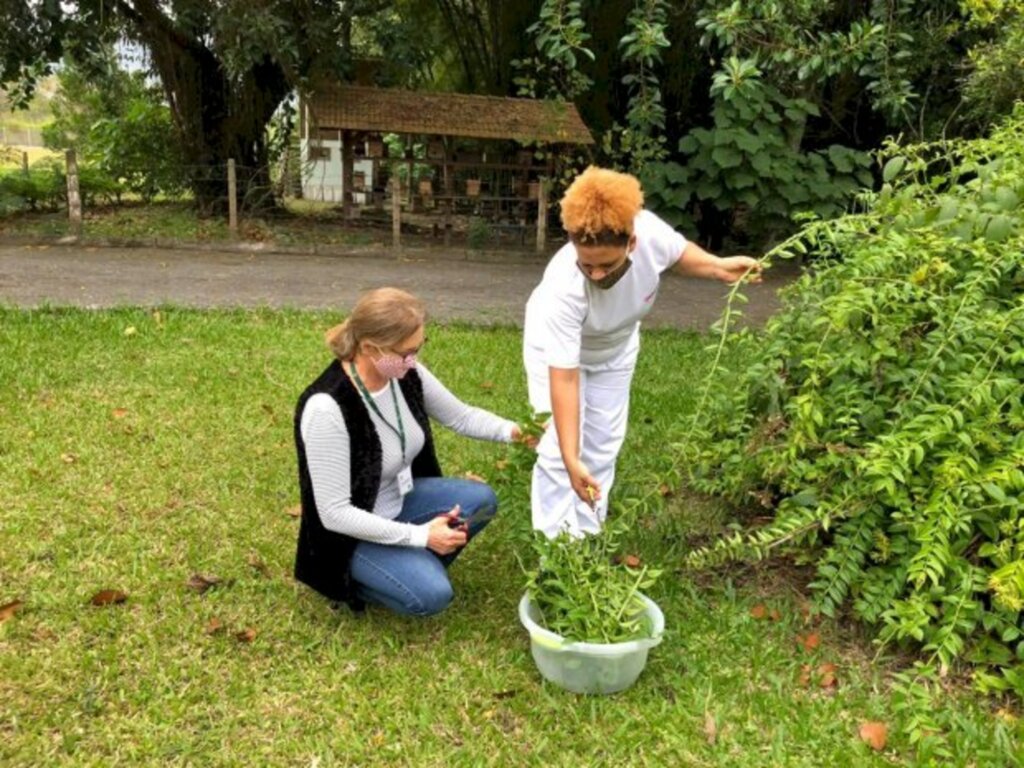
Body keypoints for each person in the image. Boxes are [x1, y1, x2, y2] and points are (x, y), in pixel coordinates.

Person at [523, 166, 762, 538]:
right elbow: (565, 379)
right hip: (555, 352)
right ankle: (553, 548)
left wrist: (718, 268)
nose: (597, 275)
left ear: (631, 243)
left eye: (607, 264)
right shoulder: (562, 289)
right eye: (587, 264)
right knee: (558, 449)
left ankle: (586, 537)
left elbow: (678, 252)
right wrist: (571, 458)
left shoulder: (647, 231)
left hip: (616, 349)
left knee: (603, 445)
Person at [294, 287, 526, 616]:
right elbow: (335, 514)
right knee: (431, 596)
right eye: (406, 352)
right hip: (349, 537)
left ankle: (406, 563)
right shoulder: (327, 408)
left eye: (418, 349)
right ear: (371, 348)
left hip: (398, 504)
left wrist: (516, 432)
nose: (413, 360)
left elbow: (461, 416)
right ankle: (353, 583)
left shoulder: (404, 372)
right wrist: (420, 536)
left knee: (482, 502)